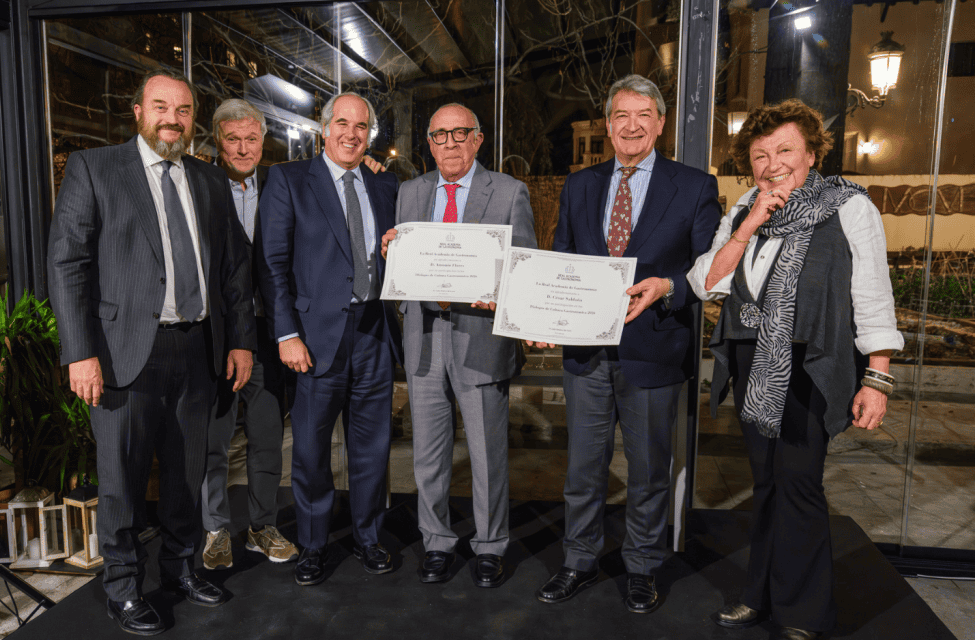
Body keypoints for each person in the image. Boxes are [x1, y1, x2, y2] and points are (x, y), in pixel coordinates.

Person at [47, 70, 256, 635]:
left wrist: (240, 340)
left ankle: (181, 569)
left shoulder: (211, 181)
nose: (172, 118)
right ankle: (122, 588)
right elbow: (67, 265)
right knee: (122, 480)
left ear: (193, 119)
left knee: (188, 475)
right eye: (161, 106)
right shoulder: (95, 168)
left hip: (198, 350)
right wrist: (79, 353)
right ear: (137, 111)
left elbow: (235, 269)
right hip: (120, 354)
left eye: (184, 110)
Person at [687, 99, 903, 640]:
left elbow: (873, 295)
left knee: (799, 485)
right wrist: (751, 222)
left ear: (811, 153)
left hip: (811, 359)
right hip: (749, 358)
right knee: (766, 485)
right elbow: (705, 283)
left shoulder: (849, 207)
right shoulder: (742, 210)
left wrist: (876, 377)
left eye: (784, 149)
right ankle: (758, 596)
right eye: (760, 154)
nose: (771, 162)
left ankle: (803, 613)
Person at [535, 74, 721, 612]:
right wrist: (547, 308)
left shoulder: (693, 186)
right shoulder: (581, 185)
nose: (632, 125)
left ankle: (642, 566)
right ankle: (578, 561)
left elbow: (708, 268)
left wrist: (668, 287)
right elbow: (562, 259)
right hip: (586, 354)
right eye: (621, 115)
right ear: (609, 124)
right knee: (583, 470)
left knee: (646, 473)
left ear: (660, 124)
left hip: (654, 349)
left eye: (644, 115)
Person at [379, 104, 537, 587]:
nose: (449, 143)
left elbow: (524, 265)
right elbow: (401, 263)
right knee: (427, 453)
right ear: (428, 143)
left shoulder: (509, 192)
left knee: (488, 453)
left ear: (478, 138)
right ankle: (436, 541)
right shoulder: (410, 192)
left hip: (481, 336)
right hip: (424, 335)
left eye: (459, 133)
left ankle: (490, 546)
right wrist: (391, 249)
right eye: (439, 135)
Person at [258, 91, 403, 587]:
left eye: (361, 126)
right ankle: (314, 544)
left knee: (371, 449)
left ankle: (367, 537)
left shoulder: (386, 187)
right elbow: (273, 265)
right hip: (314, 340)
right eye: (342, 123)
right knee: (312, 451)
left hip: (374, 335)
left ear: (370, 135)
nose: (351, 133)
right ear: (324, 129)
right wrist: (286, 333)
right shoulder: (289, 179)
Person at [200, 99, 299, 571]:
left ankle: (263, 526)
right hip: (218, 336)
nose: (243, 148)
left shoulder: (283, 185)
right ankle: (216, 530)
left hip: (270, 332)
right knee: (214, 441)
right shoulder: (200, 186)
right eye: (232, 139)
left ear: (263, 140)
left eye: (251, 138)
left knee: (266, 436)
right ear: (218, 140)